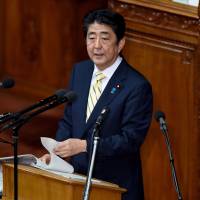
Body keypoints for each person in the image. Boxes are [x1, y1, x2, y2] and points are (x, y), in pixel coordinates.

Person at [41, 9, 153, 200]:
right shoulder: (80, 71)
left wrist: (85, 146)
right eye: (91, 37)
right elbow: (69, 120)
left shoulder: (137, 86)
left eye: (105, 38)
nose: (97, 46)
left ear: (120, 43)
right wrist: (57, 154)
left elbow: (129, 140)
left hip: (114, 185)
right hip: (75, 180)